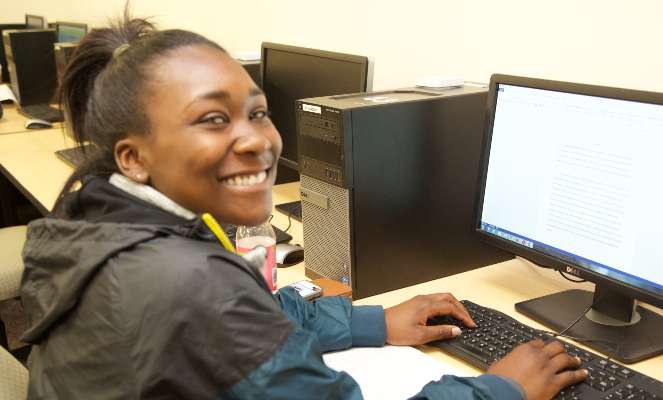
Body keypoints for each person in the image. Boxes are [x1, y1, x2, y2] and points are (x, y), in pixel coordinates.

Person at [19, 14, 587, 400]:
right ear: (134, 156)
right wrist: (501, 389)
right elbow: (223, 315)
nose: (257, 140)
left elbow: (246, 320)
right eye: (213, 119)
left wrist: (374, 321)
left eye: (258, 112)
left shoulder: (101, 211)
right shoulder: (186, 283)